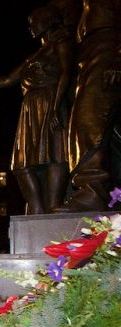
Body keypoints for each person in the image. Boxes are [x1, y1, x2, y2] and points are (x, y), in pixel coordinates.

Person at [0, 5, 73, 213]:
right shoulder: (38, 53)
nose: (30, 27)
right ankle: (37, 209)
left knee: (54, 153)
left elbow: (66, 73)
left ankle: (54, 204)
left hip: (49, 101)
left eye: (33, 22)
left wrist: (56, 106)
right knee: (22, 164)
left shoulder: (61, 42)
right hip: (30, 107)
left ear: (46, 21)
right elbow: (7, 80)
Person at [57, 0, 121, 211]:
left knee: (88, 120)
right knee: (99, 128)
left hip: (107, 47)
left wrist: (118, 57)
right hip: (91, 50)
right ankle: (96, 189)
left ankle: (91, 189)